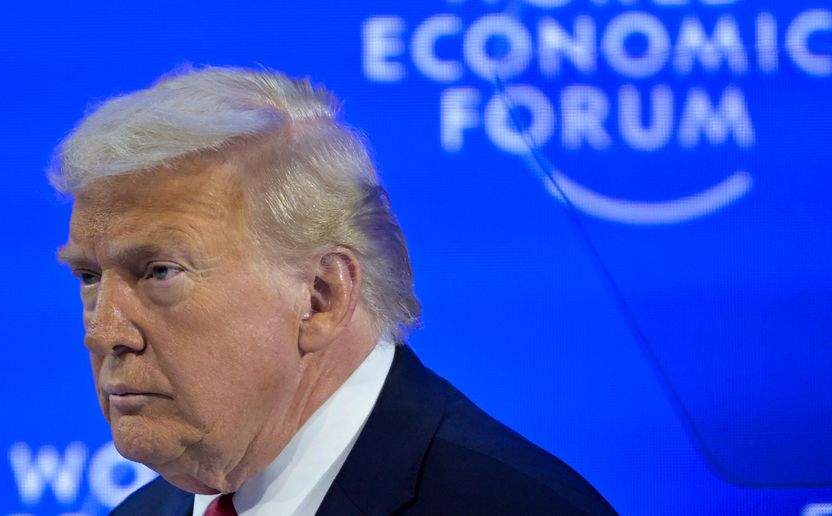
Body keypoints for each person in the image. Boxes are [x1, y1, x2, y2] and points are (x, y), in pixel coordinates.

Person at [52, 66, 616, 516]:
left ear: (321, 297)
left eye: (159, 272)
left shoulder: (516, 507)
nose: (104, 333)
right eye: (89, 278)